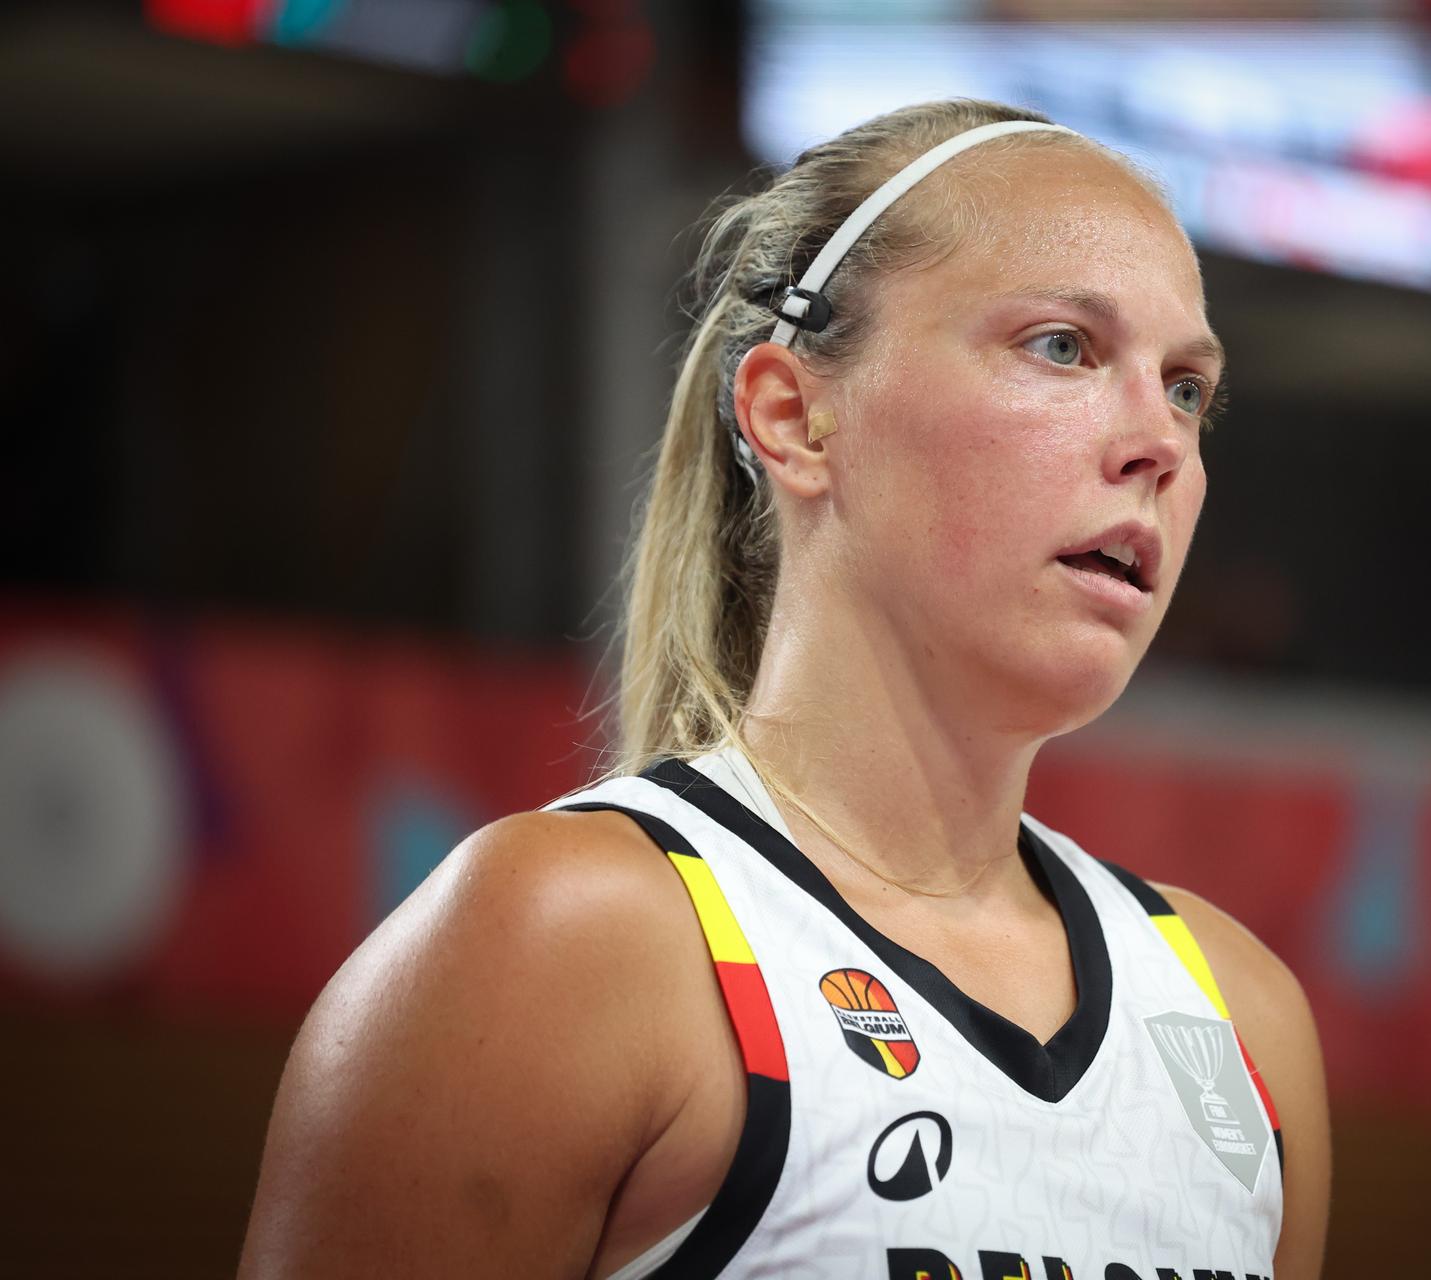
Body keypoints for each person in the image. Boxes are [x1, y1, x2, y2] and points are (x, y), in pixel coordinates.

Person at [238, 98, 1329, 1280]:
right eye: (1062, 345)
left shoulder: (1238, 1013)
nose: (1160, 441)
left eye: (1187, 388)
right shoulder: (567, 936)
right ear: (794, 415)